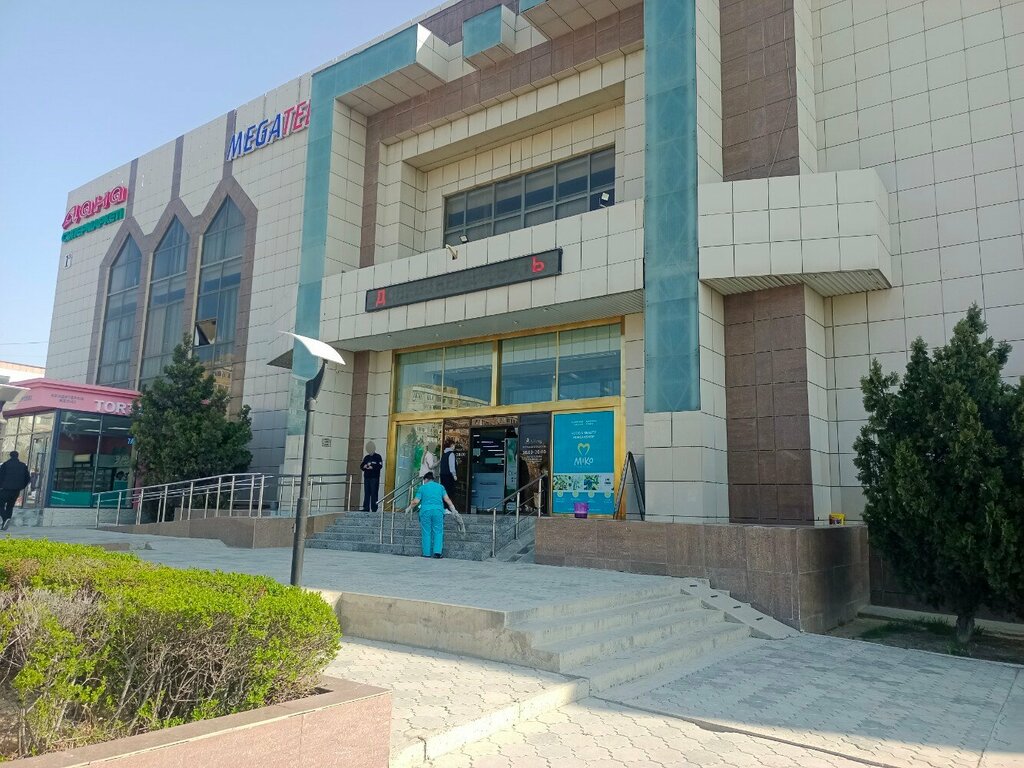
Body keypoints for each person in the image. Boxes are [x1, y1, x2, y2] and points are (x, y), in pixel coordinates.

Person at [407, 471, 458, 558]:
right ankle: (437, 552)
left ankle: (426, 553)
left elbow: (416, 501)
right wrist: (453, 509)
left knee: (426, 532)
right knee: (438, 531)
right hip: (438, 511)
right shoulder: (440, 487)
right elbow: (447, 499)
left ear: (426, 479)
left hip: (425, 512)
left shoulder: (422, 488)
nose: (424, 482)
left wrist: (408, 509)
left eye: (424, 480)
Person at [0, 451, 31, 531]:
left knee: (1, 505)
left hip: (5, 489)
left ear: (10, 456)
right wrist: (21, 487)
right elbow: (27, 478)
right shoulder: (23, 466)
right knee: (10, 506)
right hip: (16, 490)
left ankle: (5, 519)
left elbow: (1, 476)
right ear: (17, 456)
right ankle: (5, 522)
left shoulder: (5, 465)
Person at [360, 441, 383, 513]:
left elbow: (380, 466)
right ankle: (366, 507)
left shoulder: (378, 457)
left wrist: (372, 467)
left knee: (374, 493)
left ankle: (374, 508)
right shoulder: (366, 457)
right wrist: (365, 466)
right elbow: (361, 466)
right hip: (367, 477)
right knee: (367, 493)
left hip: (374, 478)